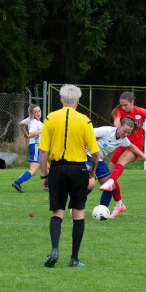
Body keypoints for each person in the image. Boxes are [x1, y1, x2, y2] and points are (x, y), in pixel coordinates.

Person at [39, 84, 99, 268]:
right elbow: (95, 153)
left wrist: (44, 175)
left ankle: (55, 249)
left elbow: (43, 151)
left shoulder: (50, 118)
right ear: (78, 101)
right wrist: (92, 171)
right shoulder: (84, 120)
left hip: (57, 169)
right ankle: (74, 258)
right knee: (78, 213)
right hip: (78, 169)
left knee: (58, 212)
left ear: (61, 100)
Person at [87, 117, 146, 212]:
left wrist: (144, 157)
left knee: (111, 188)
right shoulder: (107, 131)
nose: (126, 134)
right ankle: (76, 205)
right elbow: (87, 133)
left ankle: (102, 212)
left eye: (129, 133)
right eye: (124, 131)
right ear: (119, 126)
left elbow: (132, 147)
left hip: (98, 160)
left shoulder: (123, 139)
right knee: (90, 184)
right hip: (86, 156)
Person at [12, 104, 46, 193]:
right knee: (33, 171)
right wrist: (42, 130)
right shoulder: (35, 122)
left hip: (38, 147)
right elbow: (31, 134)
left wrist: (25, 134)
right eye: (36, 112)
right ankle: (17, 182)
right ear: (32, 113)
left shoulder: (30, 119)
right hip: (36, 147)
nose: (38, 113)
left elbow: (21, 124)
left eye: (39, 111)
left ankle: (51, 187)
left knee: (48, 168)